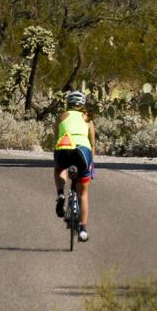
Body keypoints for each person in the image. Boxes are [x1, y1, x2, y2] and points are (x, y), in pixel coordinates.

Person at [53, 89, 95, 242]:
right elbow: (92, 143)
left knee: (59, 169)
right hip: (83, 152)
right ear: (82, 104)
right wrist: (91, 164)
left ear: (68, 104)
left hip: (64, 150)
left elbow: (55, 138)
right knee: (83, 193)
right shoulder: (87, 118)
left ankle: (60, 193)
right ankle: (83, 229)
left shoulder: (61, 117)